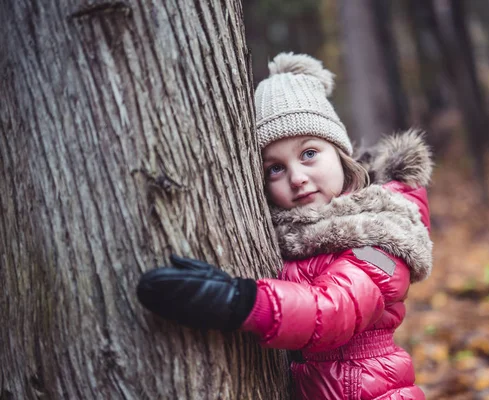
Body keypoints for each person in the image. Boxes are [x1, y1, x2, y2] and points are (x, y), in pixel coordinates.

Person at [137, 52, 433, 400]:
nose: (296, 178)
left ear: (340, 154)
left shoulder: (381, 238)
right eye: (275, 168)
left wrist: (242, 301)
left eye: (309, 153)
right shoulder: (290, 236)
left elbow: (334, 307)